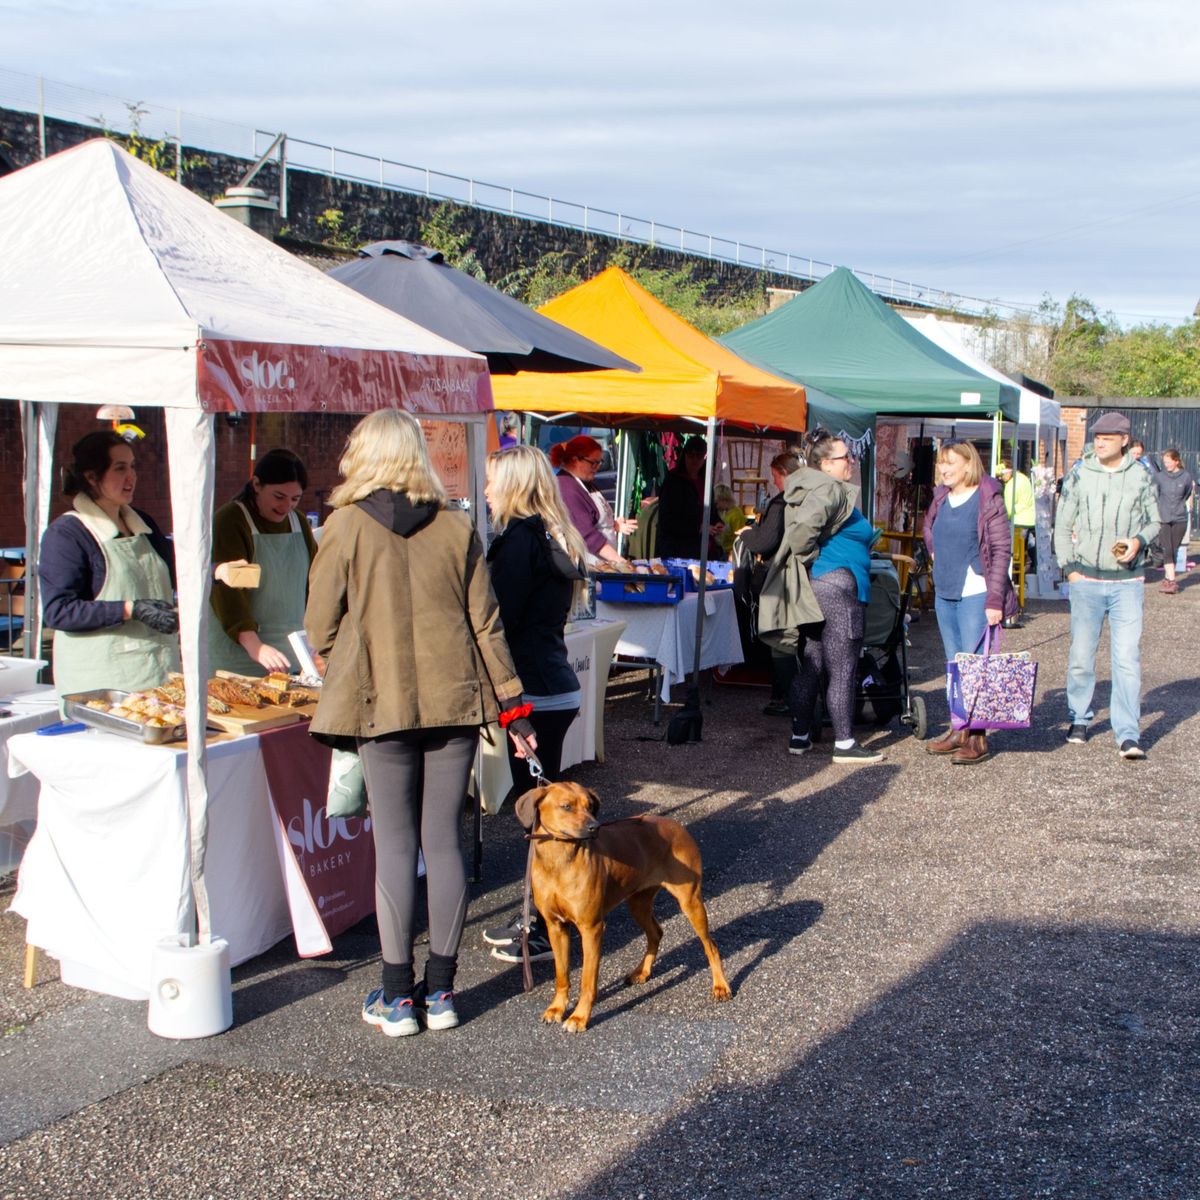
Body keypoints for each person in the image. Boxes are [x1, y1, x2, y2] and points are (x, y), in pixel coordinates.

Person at [305, 409, 534, 1037]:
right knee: (443, 842)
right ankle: (441, 993)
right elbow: (487, 625)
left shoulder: (343, 527)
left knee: (396, 847)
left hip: (380, 704)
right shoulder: (458, 527)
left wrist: (355, 644)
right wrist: (514, 706)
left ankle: (395, 994)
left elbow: (320, 626)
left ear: (364, 455)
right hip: (453, 700)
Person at [479, 444, 589, 964]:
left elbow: (497, 622)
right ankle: (547, 916)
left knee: (542, 816)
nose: (484, 492)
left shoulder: (521, 541)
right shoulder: (548, 534)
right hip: (551, 683)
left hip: (534, 691)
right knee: (542, 810)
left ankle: (548, 922)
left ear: (513, 486)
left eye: (491, 482)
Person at [38, 431, 179, 697]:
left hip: (158, 673)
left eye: (133, 467)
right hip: (103, 684)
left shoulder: (142, 523)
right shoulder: (68, 534)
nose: (132, 477)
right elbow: (59, 611)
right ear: (92, 477)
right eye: (120, 468)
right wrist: (130, 609)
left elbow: (179, 568)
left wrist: (218, 570)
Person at [1053, 412, 1160, 759]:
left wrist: (1138, 541)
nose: (1100, 442)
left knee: (1127, 659)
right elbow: (1062, 521)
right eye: (1097, 436)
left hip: (1128, 582)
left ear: (1124, 440)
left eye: (1108, 438)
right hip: (1086, 579)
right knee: (1082, 656)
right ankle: (1079, 719)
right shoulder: (1080, 474)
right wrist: (1070, 569)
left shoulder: (1141, 476)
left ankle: (1128, 733)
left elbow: (1155, 521)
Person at [784, 432, 882, 764]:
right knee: (842, 667)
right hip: (839, 587)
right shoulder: (830, 490)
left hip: (821, 585)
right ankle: (844, 744)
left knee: (813, 663)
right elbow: (801, 535)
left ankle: (800, 736)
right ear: (826, 464)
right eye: (845, 457)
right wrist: (809, 551)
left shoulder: (818, 489)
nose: (852, 461)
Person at [921, 440, 1016, 765]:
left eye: (950, 463)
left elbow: (1002, 549)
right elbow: (928, 528)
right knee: (954, 664)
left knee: (976, 665)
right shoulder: (941, 497)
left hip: (976, 591)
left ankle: (977, 738)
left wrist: (995, 599)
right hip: (945, 590)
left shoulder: (987, 497)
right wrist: (934, 551)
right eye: (940, 464)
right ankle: (958, 728)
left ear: (968, 464)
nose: (944, 469)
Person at [209, 448, 318, 677]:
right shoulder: (231, 520)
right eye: (279, 496)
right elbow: (227, 592)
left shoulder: (298, 521)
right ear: (257, 484)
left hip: (293, 657)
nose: (286, 506)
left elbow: (315, 580)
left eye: (295, 499)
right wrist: (253, 644)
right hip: (238, 660)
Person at [737, 451, 801, 715]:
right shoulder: (804, 500)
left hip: (780, 577)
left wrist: (747, 534)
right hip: (799, 577)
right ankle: (785, 695)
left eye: (776, 476)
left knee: (780, 637)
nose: (775, 482)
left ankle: (787, 697)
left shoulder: (782, 503)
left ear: (785, 474)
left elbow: (765, 542)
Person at [550, 434, 636, 564]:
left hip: (600, 563)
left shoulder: (585, 483)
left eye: (599, 463)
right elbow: (587, 535)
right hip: (587, 566)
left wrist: (614, 525)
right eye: (593, 463)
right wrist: (619, 561)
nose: (597, 468)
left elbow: (593, 518)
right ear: (575, 460)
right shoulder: (566, 488)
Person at [656, 435, 723, 560]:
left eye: (699, 456)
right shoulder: (673, 481)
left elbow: (710, 510)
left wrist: (717, 522)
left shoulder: (705, 481)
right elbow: (667, 521)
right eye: (691, 455)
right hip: (678, 552)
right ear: (684, 455)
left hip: (703, 552)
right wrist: (698, 528)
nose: (695, 460)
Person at [1152, 448, 1193, 594]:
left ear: (1176, 461)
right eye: (1165, 462)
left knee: (1173, 550)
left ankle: (1167, 578)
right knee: (1167, 549)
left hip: (1180, 517)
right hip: (1163, 517)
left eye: (1169, 462)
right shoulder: (1159, 477)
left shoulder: (1186, 477)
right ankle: (1172, 581)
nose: (1167, 465)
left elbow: (1187, 493)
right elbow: (1155, 494)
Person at [714, 484, 748, 556]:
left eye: (717, 502)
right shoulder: (721, 511)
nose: (715, 504)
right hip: (720, 548)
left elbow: (739, 537)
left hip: (731, 552)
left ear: (725, 500)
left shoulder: (736, 515)